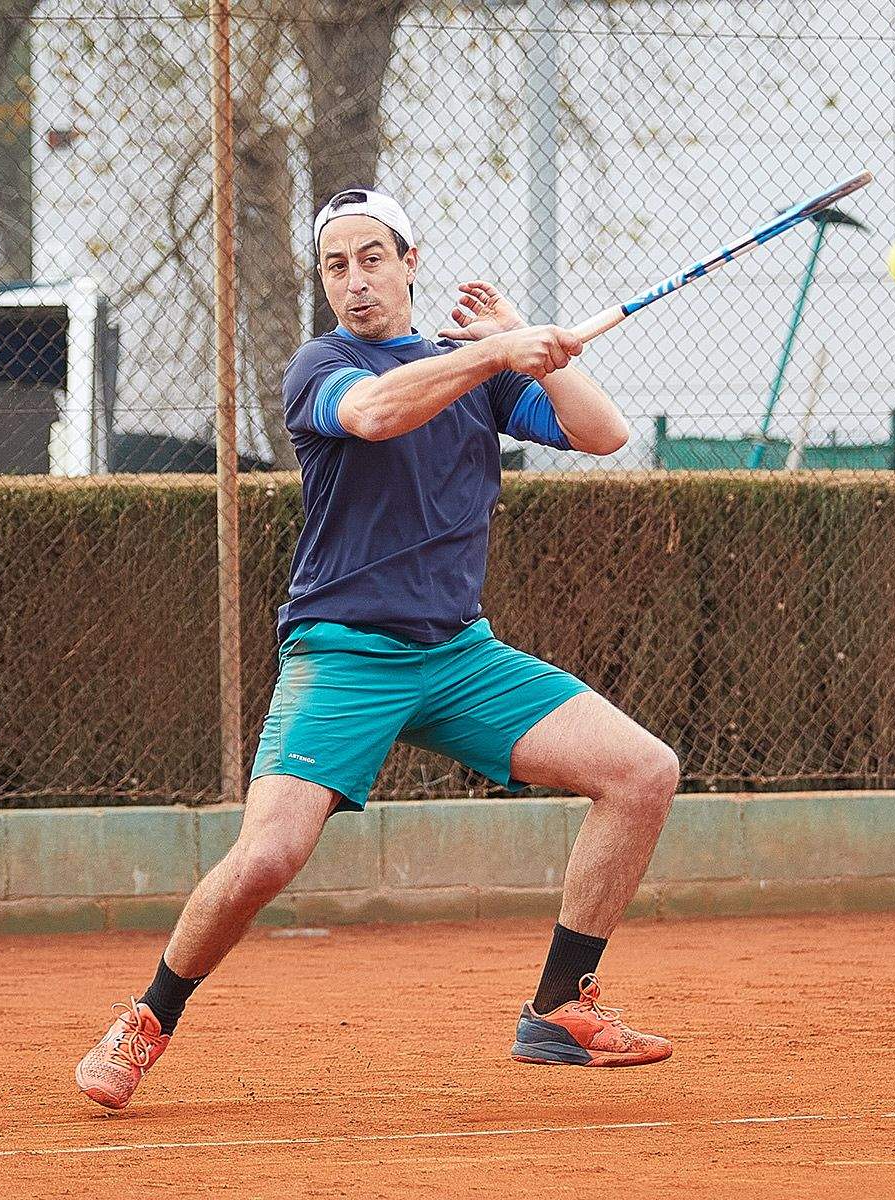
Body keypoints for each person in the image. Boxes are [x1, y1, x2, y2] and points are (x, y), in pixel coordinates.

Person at [76, 189, 680, 1109]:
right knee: (268, 856)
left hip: (460, 655)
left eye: (371, 259)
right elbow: (376, 416)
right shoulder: (324, 366)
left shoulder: (473, 365)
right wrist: (494, 353)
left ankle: (559, 1008)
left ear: (409, 262)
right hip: (345, 655)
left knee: (642, 772)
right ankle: (147, 1019)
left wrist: (529, 346)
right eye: (336, 266)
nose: (355, 281)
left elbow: (604, 434)